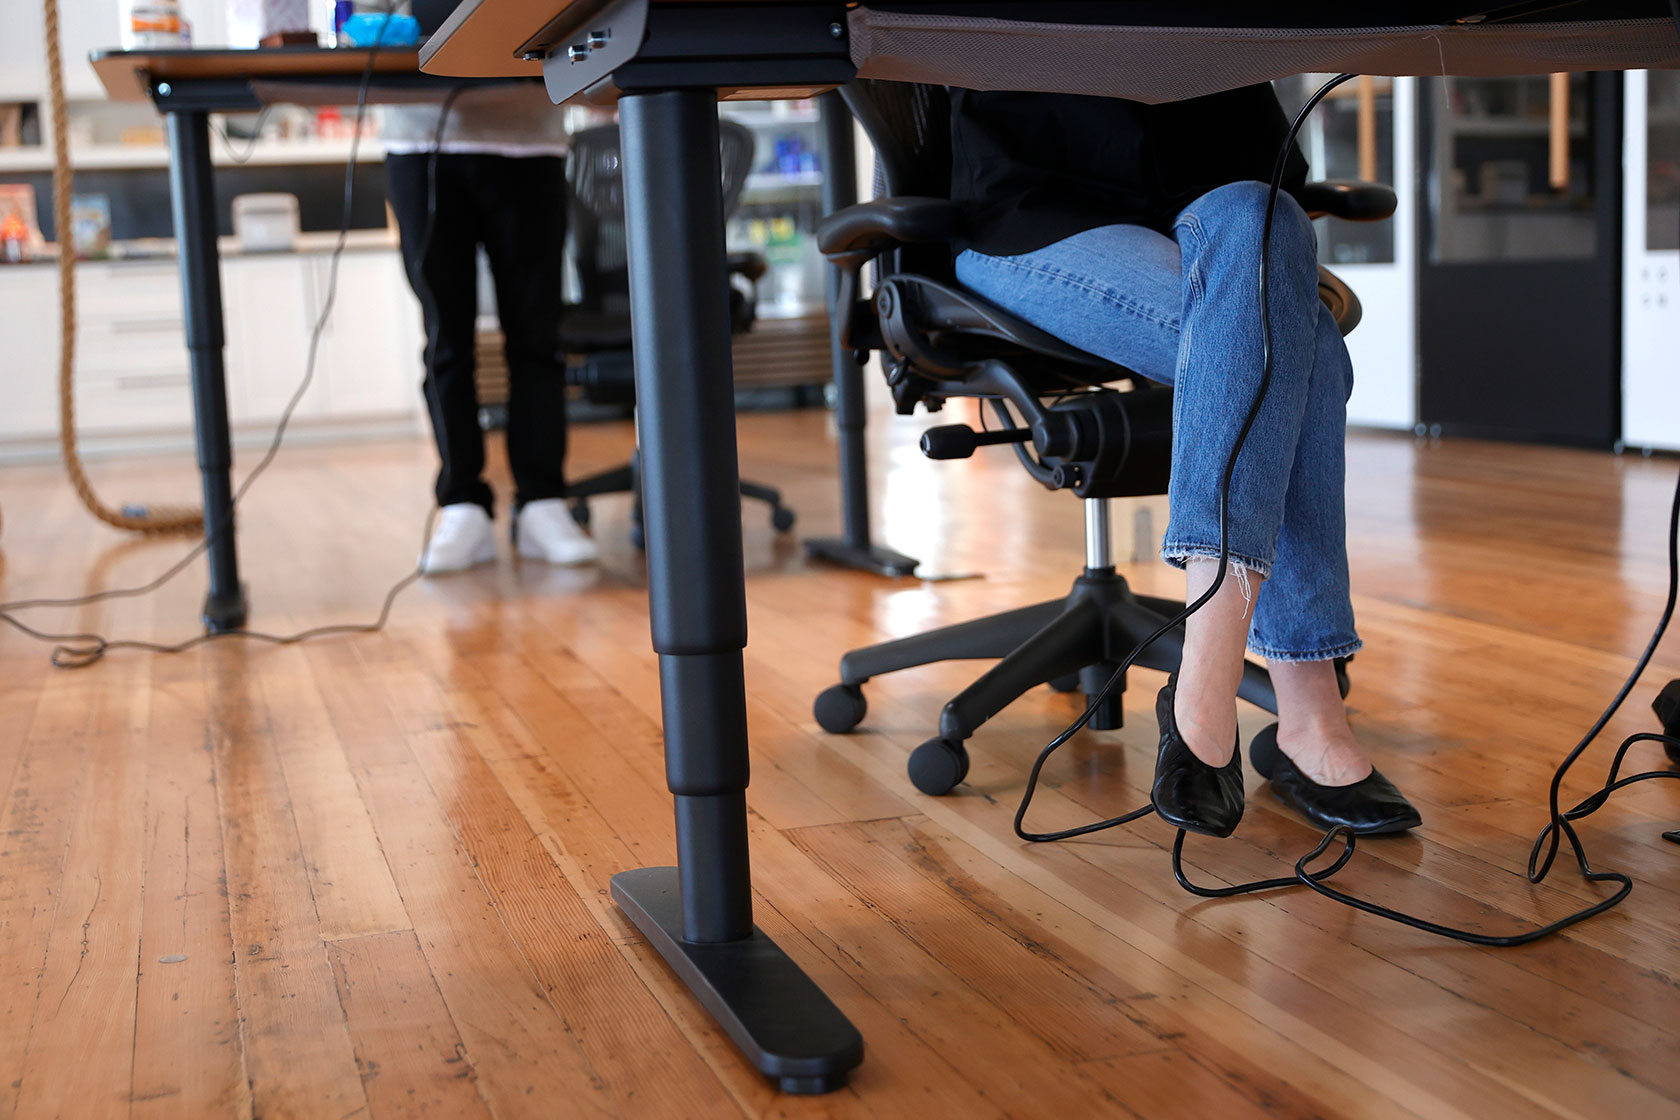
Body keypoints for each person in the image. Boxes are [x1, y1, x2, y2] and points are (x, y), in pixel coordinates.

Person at [948, 85, 1421, 838]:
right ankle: (1300, 713)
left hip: (1206, 211)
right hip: (1033, 215)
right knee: (1308, 351)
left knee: (1262, 213)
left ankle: (1210, 666)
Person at [384, 84, 597, 573]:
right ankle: (463, 505)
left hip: (529, 144)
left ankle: (543, 500)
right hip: (422, 145)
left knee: (537, 337)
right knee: (446, 341)